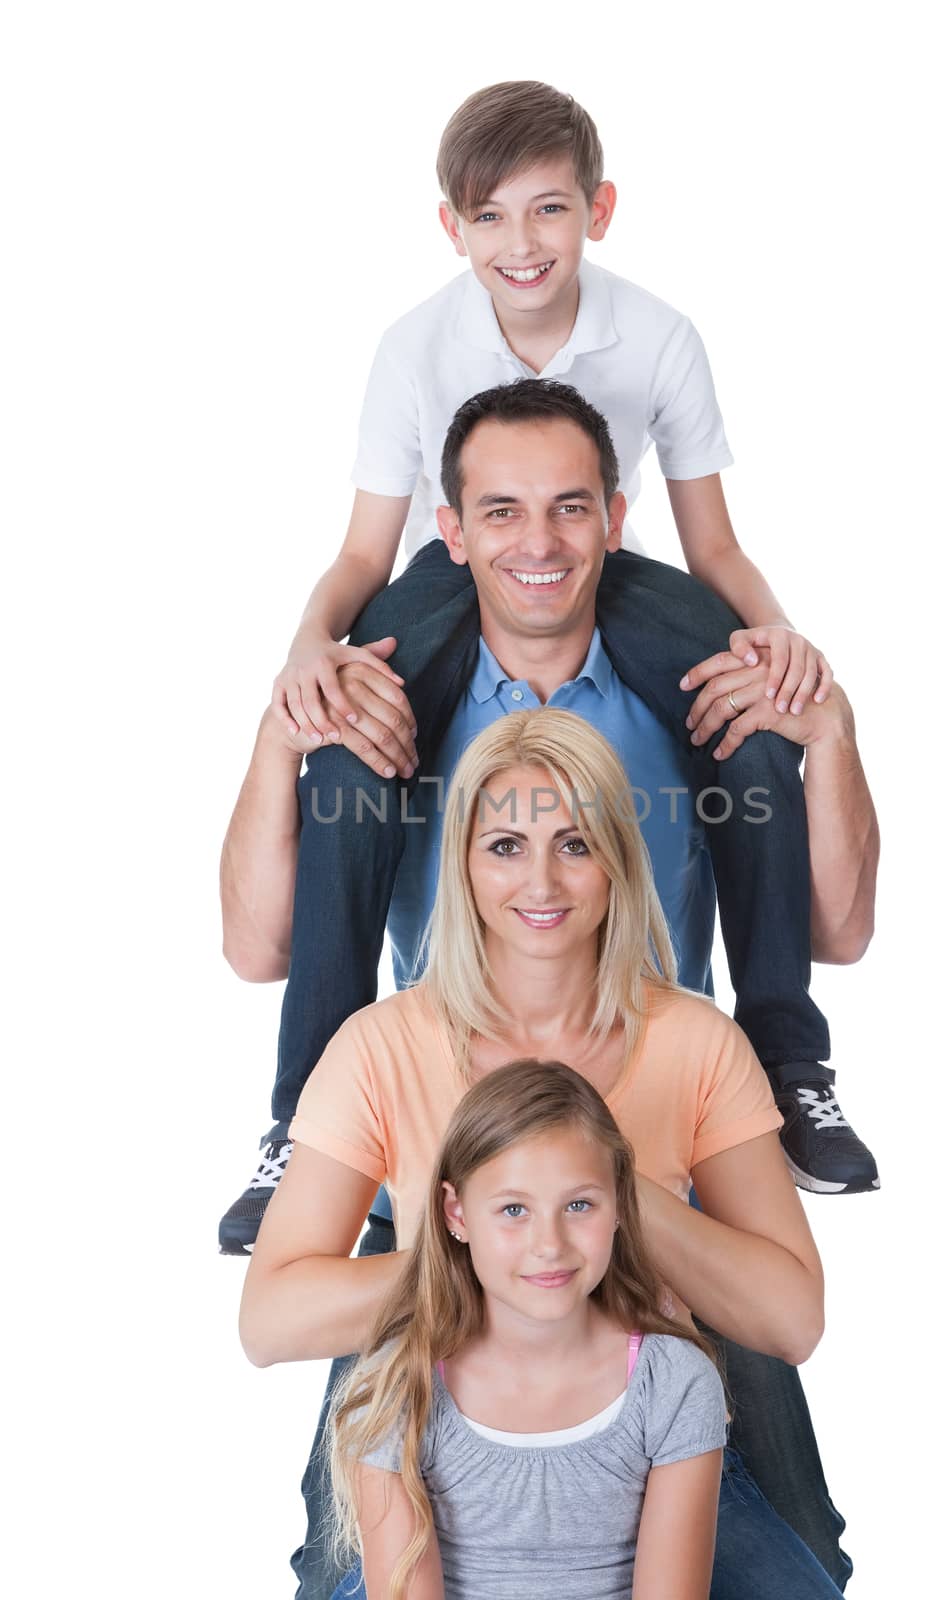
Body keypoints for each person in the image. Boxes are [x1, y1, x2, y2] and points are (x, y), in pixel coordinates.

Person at [220, 77, 879, 1230]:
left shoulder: (656, 336)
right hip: (442, 579)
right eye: (489, 217)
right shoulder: (416, 347)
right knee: (349, 755)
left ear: (598, 209)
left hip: (612, 574)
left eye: (548, 211)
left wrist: (782, 652)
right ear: (451, 228)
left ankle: (785, 1058)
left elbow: (710, 540)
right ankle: (303, 1116)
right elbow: (362, 551)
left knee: (752, 720)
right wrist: (304, 662)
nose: (521, 244)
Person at [239, 708, 845, 1600]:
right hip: (439, 1408)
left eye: (574, 843)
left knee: (803, 1578)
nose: (542, 880)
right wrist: (487, 1263)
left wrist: (606, 1188)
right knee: (334, 1579)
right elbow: (269, 1320)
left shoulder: (696, 1042)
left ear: (616, 859)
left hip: (634, 1414)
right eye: (506, 845)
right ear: (464, 862)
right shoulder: (380, 1046)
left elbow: (791, 1319)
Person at [328, 1060, 727, 1600]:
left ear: (618, 1207)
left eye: (579, 1204)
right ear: (457, 1213)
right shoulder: (397, 1388)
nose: (550, 1245)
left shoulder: (675, 1383)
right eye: (514, 1209)